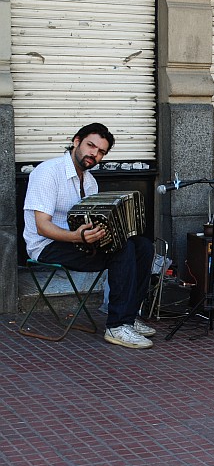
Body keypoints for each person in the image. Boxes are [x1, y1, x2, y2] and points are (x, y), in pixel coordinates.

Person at [23, 123, 156, 349]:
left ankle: (129, 317)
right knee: (122, 250)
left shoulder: (90, 181)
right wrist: (78, 237)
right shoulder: (48, 172)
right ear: (76, 142)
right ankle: (117, 326)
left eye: (101, 151)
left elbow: (90, 220)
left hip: (79, 241)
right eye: (91, 145)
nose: (94, 154)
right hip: (47, 245)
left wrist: (106, 232)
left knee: (142, 245)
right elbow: (42, 227)